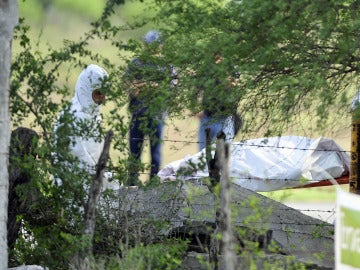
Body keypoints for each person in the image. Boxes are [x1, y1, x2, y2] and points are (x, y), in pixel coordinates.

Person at [124, 30, 176, 186]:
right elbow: (129, 86)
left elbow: (171, 90)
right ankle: (131, 184)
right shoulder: (136, 63)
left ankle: (154, 184)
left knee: (155, 155)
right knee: (134, 153)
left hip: (157, 117)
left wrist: (145, 86)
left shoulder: (167, 66)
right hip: (137, 115)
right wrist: (152, 87)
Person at [53, 64, 110, 187]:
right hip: (72, 189)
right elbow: (78, 158)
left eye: (105, 93)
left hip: (91, 186)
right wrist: (102, 176)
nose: (103, 99)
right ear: (86, 90)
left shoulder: (94, 115)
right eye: (99, 93)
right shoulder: (71, 117)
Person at [196, 53, 242, 151]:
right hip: (207, 117)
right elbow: (197, 89)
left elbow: (234, 85)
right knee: (202, 154)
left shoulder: (232, 68)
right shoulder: (206, 69)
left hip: (225, 119)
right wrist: (195, 110)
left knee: (224, 153)